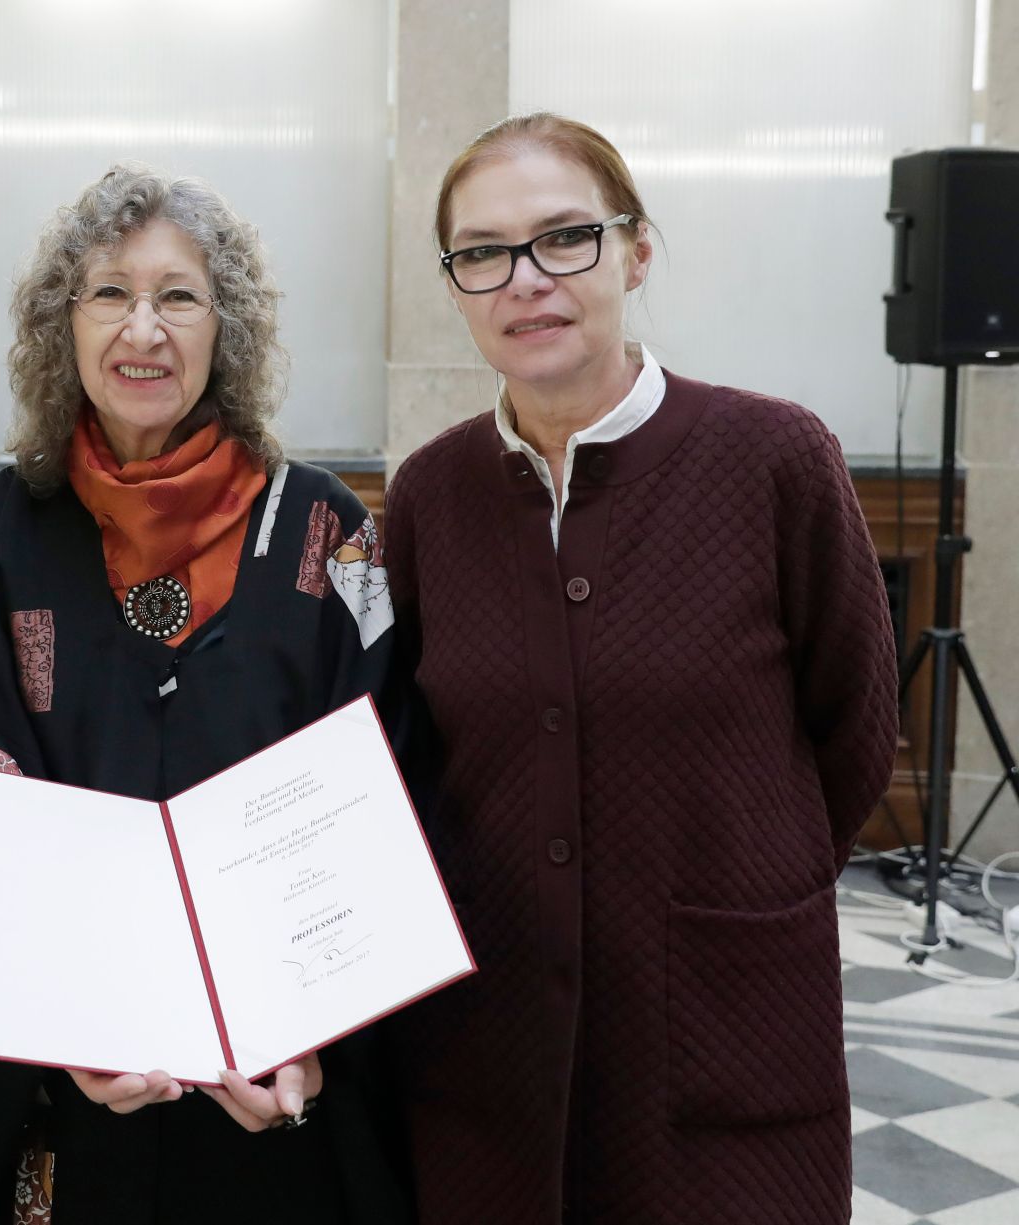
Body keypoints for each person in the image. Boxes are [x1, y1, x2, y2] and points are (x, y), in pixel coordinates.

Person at [383, 113, 900, 1224]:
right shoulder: (427, 495)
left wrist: (747, 881)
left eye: (564, 237)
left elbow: (854, 730)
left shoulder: (773, 458)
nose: (526, 278)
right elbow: (410, 755)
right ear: (457, 286)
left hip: (720, 1036)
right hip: (493, 1053)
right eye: (483, 252)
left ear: (636, 252)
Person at [0, 164, 408, 1225]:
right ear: (63, 323)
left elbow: (383, 777)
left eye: (178, 296)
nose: (143, 329)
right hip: (66, 1075)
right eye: (109, 293)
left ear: (227, 328)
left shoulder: (329, 532)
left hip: (271, 1068)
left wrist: (306, 1027)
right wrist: (74, 1019)